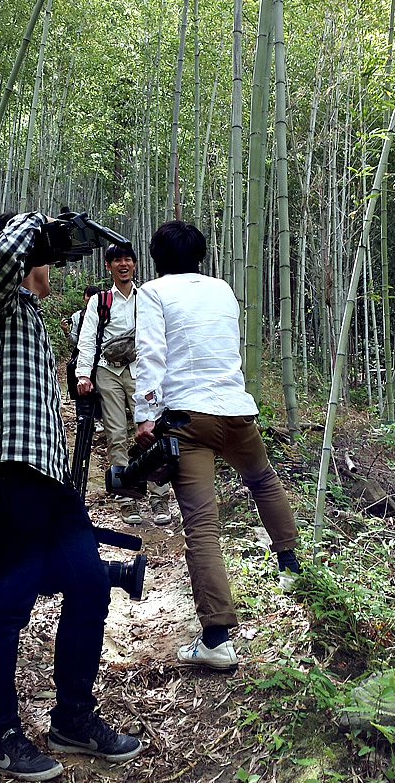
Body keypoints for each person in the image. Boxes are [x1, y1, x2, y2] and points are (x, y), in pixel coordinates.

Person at [0, 211, 142, 781]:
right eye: (42, 256)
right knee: (12, 597)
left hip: (53, 480)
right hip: (9, 473)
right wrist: (34, 224)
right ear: (24, 256)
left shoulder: (34, 319)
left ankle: (72, 718)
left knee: (90, 585)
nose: (49, 267)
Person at [133, 220, 300, 673]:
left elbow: (151, 354)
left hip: (189, 418)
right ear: (200, 255)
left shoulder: (152, 292)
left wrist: (144, 416)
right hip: (236, 409)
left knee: (202, 526)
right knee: (263, 481)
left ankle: (217, 638)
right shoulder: (223, 289)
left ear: (156, 257)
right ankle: (292, 568)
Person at [75, 244, 172, 526]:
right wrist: (84, 375)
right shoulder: (100, 301)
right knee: (117, 434)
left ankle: (159, 497)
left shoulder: (147, 298)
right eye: (117, 260)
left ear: (135, 264)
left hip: (141, 370)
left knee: (151, 431)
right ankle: (127, 498)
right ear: (108, 266)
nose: (123, 264)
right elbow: (88, 339)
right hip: (108, 371)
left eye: (128, 259)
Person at [62, 285, 104, 432]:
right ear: (84, 297)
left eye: (95, 296)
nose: (91, 299)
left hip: (100, 355)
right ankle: (82, 420)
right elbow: (75, 340)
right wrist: (66, 331)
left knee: (98, 388)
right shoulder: (77, 316)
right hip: (82, 355)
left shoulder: (105, 313)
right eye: (89, 295)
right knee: (80, 386)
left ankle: (98, 419)